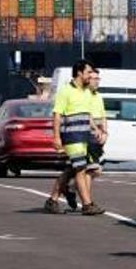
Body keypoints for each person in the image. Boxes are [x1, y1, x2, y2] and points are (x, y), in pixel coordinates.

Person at [45, 60, 105, 216]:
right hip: (71, 136)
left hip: (84, 136)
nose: (91, 76)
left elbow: (87, 114)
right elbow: (57, 115)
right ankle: (87, 204)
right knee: (80, 169)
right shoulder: (65, 91)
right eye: (88, 73)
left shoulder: (86, 92)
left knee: (71, 169)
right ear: (79, 73)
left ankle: (52, 200)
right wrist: (56, 137)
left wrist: (95, 129)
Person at [62, 70, 106, 210]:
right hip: (86, 135)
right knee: (92, 169)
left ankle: (70, 190)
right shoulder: (84, 95)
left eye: (98, 78)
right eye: (93, 78)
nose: (96, 81)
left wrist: (104, 132)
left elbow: (103, 115)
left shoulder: (98, 96)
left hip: (96, 135)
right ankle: (87, 202)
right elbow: (87, 116)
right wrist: (95, 131)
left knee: (79, 169)